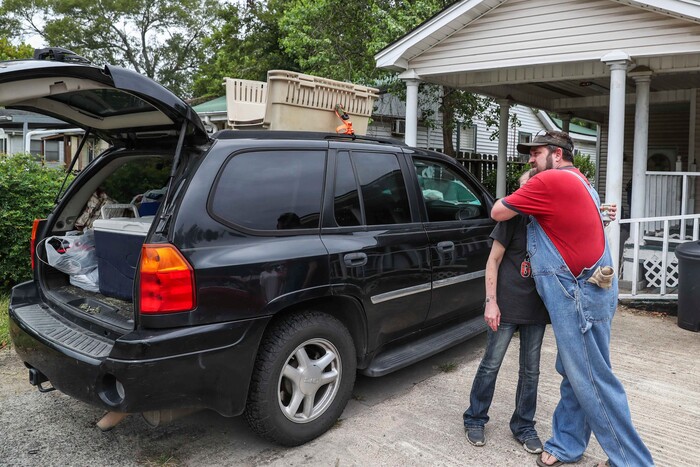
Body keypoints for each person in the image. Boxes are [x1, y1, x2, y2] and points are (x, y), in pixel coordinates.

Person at [491, 131, 654, 467]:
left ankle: (632, 462)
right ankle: (567, 444)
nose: (530, 160)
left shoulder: (550, 181)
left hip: (579, 296)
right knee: (574, 373)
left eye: (536, 154)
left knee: (593, 381)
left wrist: (526, 185)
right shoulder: (583, 183)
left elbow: (497, 211)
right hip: (593, 293)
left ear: (557, 154)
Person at [463, 169, 548, 455]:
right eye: (524, 186)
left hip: (537, 308)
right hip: (506, 306)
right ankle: (475, 418)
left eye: (533, 186)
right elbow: (493, 261)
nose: (527, 192)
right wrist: (491, 301)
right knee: (491, 364)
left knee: (531, 371)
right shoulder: (511, 218)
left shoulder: (549, 221)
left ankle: (523, 425)